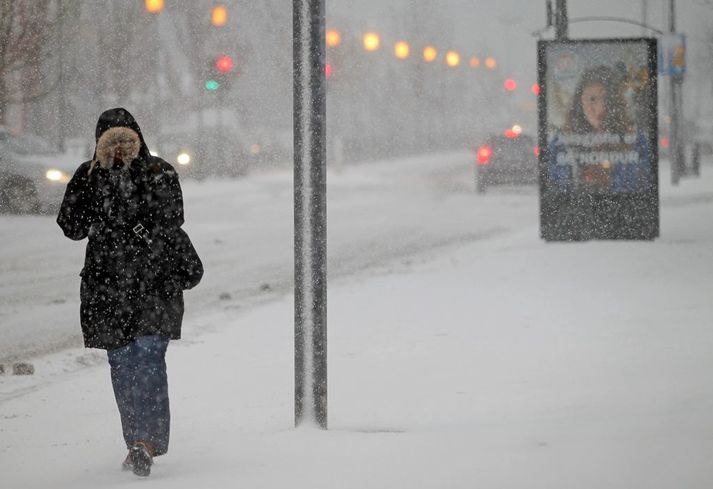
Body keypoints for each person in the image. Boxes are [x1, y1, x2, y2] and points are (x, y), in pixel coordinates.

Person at [57, 108, 202, 477]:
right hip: (107, 288)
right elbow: (71, 227)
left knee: (149, 357)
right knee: (121, 363)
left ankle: (147, 443)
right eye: (112, 143)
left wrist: (129, 193)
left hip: (154, 283)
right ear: (99, 145)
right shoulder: (88, 176)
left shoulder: (158, 172)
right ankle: (135, 441)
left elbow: (172, 218)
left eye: (126, 142)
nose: (119, 150)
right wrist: (96, 184)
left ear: (137, 140)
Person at [548, 65, 651, 193]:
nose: (600, 108)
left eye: (607, 99)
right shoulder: (561, 143)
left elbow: (642, 188)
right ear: (580, 102)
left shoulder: (635, 141)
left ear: (617, 101)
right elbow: (554, 194)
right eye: (592, 99)